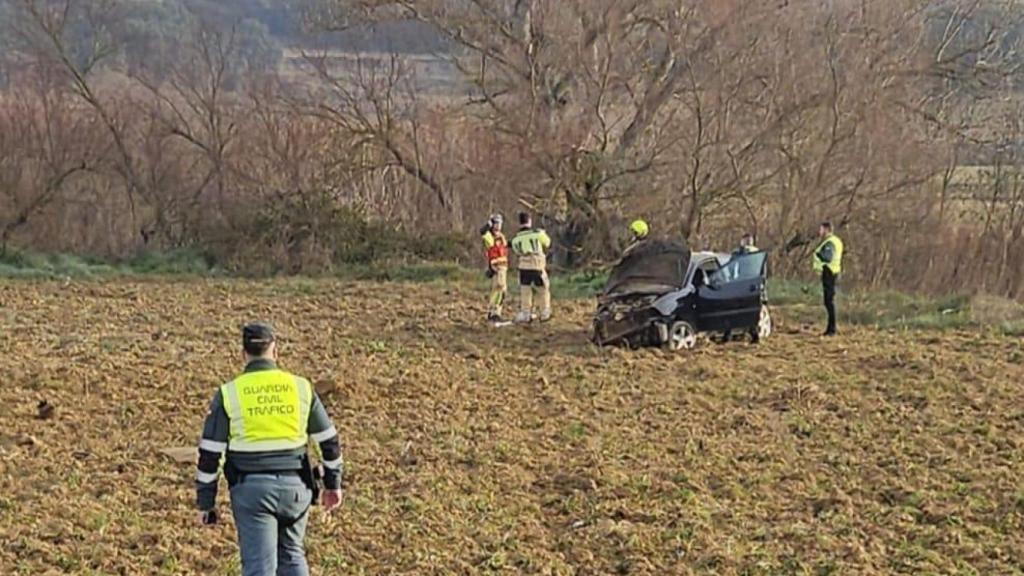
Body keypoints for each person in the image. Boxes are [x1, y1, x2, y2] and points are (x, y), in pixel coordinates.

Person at [195, 323, 343, 576]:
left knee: (259, 568)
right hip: (297, 490)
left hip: (252, 492)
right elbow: (329, 442)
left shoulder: (230, 393)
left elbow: (210, 454)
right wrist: (333, 484)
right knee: (292, 556)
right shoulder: (301, 388)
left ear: (243, 354)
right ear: (275, 351)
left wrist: (206, 503)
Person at [510, 212, 552, 323]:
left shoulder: (516, 239)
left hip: (523, 267)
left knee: (525, 290)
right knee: (543, 289)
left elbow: (516, 250)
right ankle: (544, 312)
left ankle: (525, 313)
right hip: (537, 266)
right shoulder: (537, 234)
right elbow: (547, 243)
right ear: (530, 221)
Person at [813, 222, 844, 336]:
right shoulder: (836, 241)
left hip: (829, 272)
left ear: (826, 230)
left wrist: (818, 254)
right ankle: (831, 328)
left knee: (829, 301)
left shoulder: (829, 242)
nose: (819, 232)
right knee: (829, 301)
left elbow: (827, 257)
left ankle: (832, 329)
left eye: (821, 229)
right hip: (834, 272)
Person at [480, 214, 509, 324]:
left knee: (502, 291)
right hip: (497, 267)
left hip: (504, 267)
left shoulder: (502, 236)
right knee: (498, 289)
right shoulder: (490, 237)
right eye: (496, 223)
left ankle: (495, 312)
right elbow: (482, 232)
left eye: (499, 223)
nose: (498, 226)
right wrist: (488, 224)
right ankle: (494, 312)